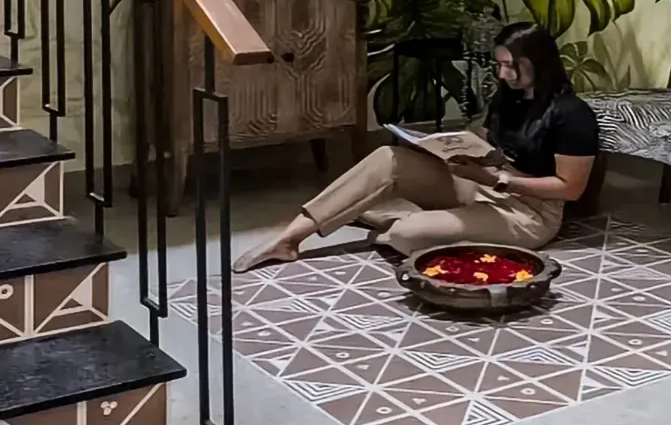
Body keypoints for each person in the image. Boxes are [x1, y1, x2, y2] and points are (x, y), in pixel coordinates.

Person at [232, 21, 599, 273]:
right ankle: (289, 239)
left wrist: (498, 180)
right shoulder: (510, 96)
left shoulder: (572, 114)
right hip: (483, 182)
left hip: (529, 212)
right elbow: (488, 139)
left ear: (537, 63)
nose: (502, 74)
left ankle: (386, 219)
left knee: (408, 236)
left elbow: (570, 188)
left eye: (510, 66)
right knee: (388, 158)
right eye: (500, 65)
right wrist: (451, 147)